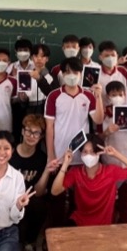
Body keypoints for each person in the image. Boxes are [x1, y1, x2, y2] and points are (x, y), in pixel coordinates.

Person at [44, 57, 103, 228]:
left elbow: (98, 119)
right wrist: (51, 155)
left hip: (83, 157)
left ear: (81, 74)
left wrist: (98, 96)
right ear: (62, 74)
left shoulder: (88, 96)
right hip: (61, 156)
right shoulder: (54, 96)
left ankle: (75, 233)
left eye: (75, 72)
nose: (72, 75)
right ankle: (55, 234)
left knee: (80, 200)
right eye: (67, 72)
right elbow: (49, 128)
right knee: (57, 199)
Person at [51, 133, 127, 227]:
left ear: (99, 153)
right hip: (79, 222)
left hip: (103, 226)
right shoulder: (76, 172)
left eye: (92, 152)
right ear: (81, 153)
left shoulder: (110, 172)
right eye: (85, 152)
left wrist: (116, 154)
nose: (88, 155)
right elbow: (55, 191)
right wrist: (65, 164)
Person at [10, 114, 61, 251]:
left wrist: (46, 169)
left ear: (41, 136)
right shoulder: (10, 153)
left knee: (40, 204)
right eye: (28, 131)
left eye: (36, 133)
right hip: (11, 197)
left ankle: (29, 242)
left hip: (31, 200)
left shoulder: (41, 158)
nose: (31, 136)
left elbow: (38, 192)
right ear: (22, 131)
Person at [98, 81, 127, 223]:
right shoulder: (103, 114)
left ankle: (124, 229)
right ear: (108, 96)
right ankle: (109, 228)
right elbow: (98, 139)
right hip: (110, 163)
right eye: (114, 95)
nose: (117, 97)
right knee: (110, 201)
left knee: (126, 201)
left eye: (120, 94)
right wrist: (107, 132)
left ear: (125, 94)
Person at [97, 40, 127, 113]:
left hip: (122, 113)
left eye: (113, 55)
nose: (110, 58)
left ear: (117, 56)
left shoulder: (122, 71)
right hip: (103, 115)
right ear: (100, 57)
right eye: (106, 55)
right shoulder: (96, 72)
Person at [9, 38, 36, 140]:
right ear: (16, 52)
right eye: (20, 50)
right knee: (16, 131)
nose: (22, 52)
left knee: (31, 130)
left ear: (30, 51)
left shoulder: (35, 66)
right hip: (16, 105)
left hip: (33, 105)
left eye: (25, 50)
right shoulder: (11, 67)